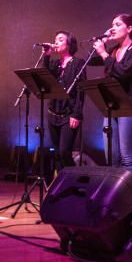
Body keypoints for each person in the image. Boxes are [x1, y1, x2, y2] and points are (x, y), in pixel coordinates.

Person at [92, 14, 132, 178]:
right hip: (111, 107)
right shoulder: (113, 50)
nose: (112, 28)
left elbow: (123, 72)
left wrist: (104, 54)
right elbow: (91, 59)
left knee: (127, 158)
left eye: (117, 24)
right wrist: (103, 43)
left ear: (129, 28)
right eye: (111, 25)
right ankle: (116, 198)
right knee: (112, 159)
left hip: (129, 108)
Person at [42, 31, 87, 177]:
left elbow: (81, 91)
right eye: (55, 39)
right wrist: (47, 56)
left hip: (69, 115)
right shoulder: (54, 64)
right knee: (57, 155)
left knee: (64, 152)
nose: (56, 42)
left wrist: (76, 114)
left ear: (69, 44)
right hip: (53, 113)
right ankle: (62, 187)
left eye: (60, 39)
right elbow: (45, 79)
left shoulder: (78, 63)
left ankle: (76, 182)